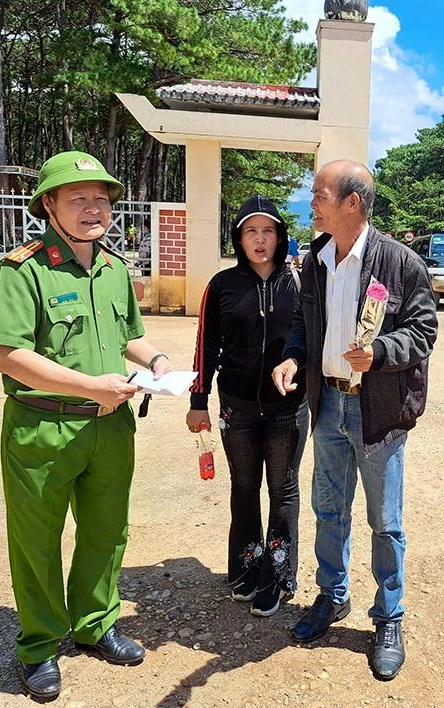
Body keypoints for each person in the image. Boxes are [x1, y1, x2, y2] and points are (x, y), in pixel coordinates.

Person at [0, 151, 173, 701]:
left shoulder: (114, 269)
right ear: (49, 205)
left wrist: (157, 362)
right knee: (37, 540)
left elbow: (127, 336)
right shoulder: (24, 269)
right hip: (42, 430)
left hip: (110, 429)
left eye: (101, 199)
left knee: (106, 531)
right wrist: (89, 386)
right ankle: (40, 645)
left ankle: (94, 623)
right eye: (78, 199)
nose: (94, 210)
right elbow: (9, 355)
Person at [271, 160, 438, 681]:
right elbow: (304, 321)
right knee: (329, 508)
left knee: (384, 522)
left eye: (319, 194)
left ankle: (388, 618)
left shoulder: (400, 262)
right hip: (327, 407)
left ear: (352, 203)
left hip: (377, 412)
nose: (312, 201)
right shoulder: (316, 259)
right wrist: (295, 356)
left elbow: (424, 329)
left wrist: (382, 351)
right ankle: (331, 596)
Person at [187, 195, 308, 618]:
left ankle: (277, 576)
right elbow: (206, 346)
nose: (260, 240)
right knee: (243, 488)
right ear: (238, 237)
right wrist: (198, 401)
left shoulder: (299, 284)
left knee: (283, 489)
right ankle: (245, 568)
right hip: (235, 408)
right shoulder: (222, 286)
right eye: (251, 231)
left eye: (269, 231)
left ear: (281, 237)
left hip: (286, 410)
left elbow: (313, 341)